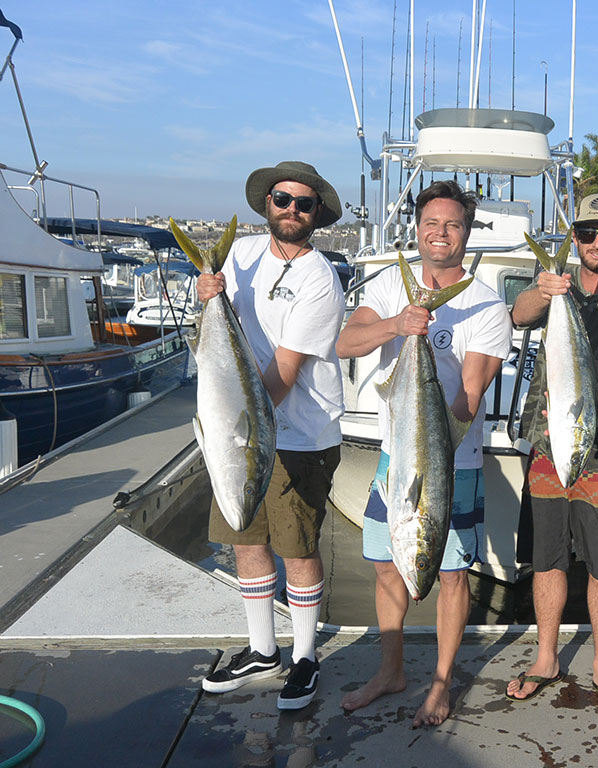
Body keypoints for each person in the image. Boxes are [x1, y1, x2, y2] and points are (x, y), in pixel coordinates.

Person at [335, 180, 512, 726]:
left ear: (465, 232)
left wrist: (435, 426)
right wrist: (399, 326)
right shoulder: (391, 285)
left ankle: (440, 684)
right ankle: (391, 671)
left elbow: (470, 396)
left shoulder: (486, 305)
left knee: (453, 575)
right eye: (431, 223)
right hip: (394, 461)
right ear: (417, 229)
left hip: (449, 463)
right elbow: (346, 342)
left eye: (453, 225)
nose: (440, 234)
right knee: (386, 566)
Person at [198, 161, 346, 711]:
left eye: (304, 204)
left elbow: (283, 375)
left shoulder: (320, 279)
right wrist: (206, 296)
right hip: (237, 428)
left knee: (297, 546)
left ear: (315, 216)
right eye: (283, 199)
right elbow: (218, 336)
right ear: (268, 202)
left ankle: (304, 656)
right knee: (245, 536)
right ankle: (263, 651)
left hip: (298, 434)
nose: (291, 209)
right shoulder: (237, 257)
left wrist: (231, 423)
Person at [504, 194, 598, 715]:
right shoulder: (556, 286)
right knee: (546, 558)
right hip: (549, 447)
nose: (595, 243)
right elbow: (518, 316)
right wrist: (545, 294)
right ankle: (546, 657)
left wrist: (565, 310)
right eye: (586, 232)